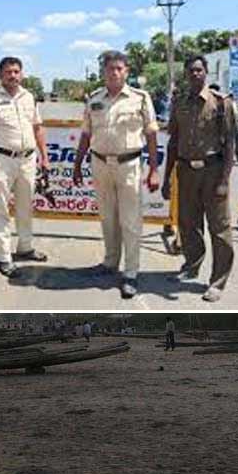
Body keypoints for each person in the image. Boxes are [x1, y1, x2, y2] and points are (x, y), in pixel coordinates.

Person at [72, 50, 159, 299]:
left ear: (127, 71)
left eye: (119, 68)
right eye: (110, 68)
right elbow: (86, 134)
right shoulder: (95, 99)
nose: (115, 72)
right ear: (104, 72)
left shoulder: (140, 98)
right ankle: (110, 262)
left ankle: (130, 273)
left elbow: (151, 134)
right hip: (100, 163)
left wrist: (153, 170)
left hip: (129, 164)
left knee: (130, 221)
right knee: (107, 217)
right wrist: (78, 165)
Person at [163, 55, 237, 303]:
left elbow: (230, 145)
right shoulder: (180, 103)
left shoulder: (221, 103)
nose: (195, 74)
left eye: (199, 70)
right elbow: (173, 142)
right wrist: (167, 178)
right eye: (191, 70)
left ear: (206, 73)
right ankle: (192, 264)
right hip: (186, 171)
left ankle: (218, 281)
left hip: (213, 171)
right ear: (185, 74)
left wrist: (225, 180)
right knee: (188, 223)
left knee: (220, 228)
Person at [0, 56, 52, 279]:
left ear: (22, 74)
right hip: (1, 160)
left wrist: (44, 157)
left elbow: (38, 128)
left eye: (17, 71)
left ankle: (25, 247)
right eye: (8, 72)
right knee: (0, 209)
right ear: (0, 75)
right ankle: (4, 257)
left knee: (25, 205)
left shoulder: (29, 97)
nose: (13, 75)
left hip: (28, 160)